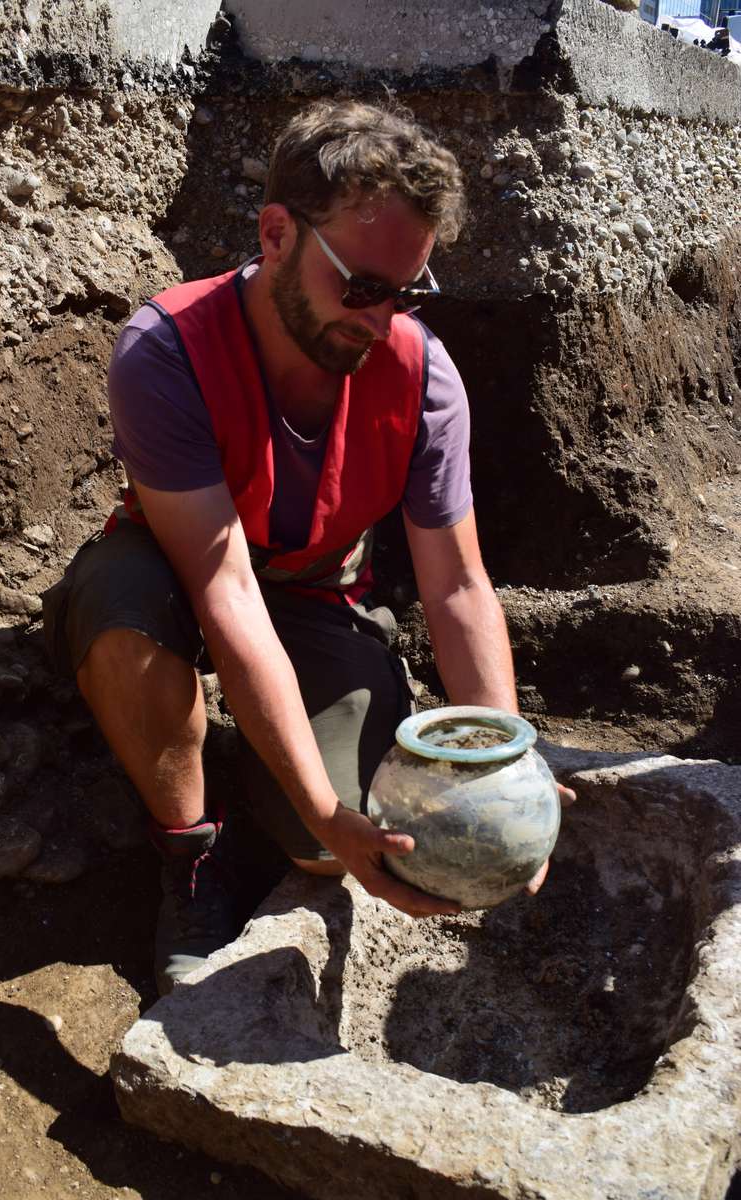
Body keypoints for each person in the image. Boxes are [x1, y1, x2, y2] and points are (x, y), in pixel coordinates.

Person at [42, 99, 574, 995]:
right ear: (278, 233)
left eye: (406, 293)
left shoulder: (422, 375)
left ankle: (255, 779)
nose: (379, 321)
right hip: (181, 573)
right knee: (125, 625)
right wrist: (326, 808)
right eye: (362, 288)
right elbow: (224, 590)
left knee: (334, 846)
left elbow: (456, 585)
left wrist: (504, 761)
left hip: (314, 591)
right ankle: (192, 856)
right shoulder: (164, 352)